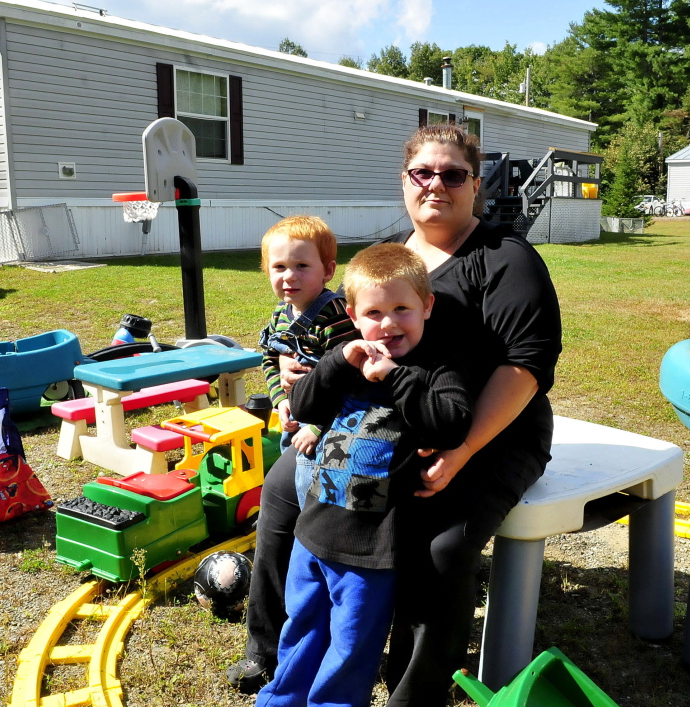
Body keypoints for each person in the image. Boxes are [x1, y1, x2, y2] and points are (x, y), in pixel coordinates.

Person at [228, 124, 562, 706]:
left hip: (488, 428)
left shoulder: (506, 258)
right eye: (422, 173)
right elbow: (340, 330)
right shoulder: (392, 259)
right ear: (405, 181)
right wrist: (301, 375)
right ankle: (270, 647)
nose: (437, 184)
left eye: (453, 173)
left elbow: (525, 367)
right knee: (282, 489)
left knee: (439, 546)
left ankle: (415, 688)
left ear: (475, 184)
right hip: (381, 422)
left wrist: (461, 452)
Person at [256, 243, 472, 707]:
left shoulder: (435, 370)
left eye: (402, 309)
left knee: (351, 651)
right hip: (312, 530)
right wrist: (337, 360)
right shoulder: (347, 364)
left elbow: (451, 422)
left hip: (371, 551)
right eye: (374, 312)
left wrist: (394, 375)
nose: (389, 324)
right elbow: (304, 406)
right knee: (301, 627)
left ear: (426, 306)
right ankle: (281, 699)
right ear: (352, 314)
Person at [258, 215, 358, 455]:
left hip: (333, 421)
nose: (290, 276)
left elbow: (351, 379)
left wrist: (316, 427)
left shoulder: (334, 315)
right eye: (279, 267)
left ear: (328, 270)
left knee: (316, 480)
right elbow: (270, 357)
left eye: (301, 265)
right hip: (295, 413)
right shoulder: (281, 313)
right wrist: (281, 400)